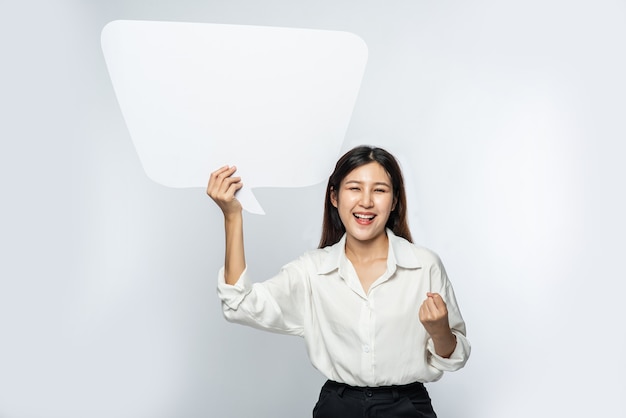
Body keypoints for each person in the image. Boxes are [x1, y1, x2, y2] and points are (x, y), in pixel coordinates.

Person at [207, 145, 470, 417]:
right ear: (334, 196)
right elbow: (238, 305)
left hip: (406, 407)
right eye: (354, 188)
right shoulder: (312, 271)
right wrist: (232, 216)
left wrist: (440, 331)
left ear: (393, 201)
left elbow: (456, 356)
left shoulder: (424, 265)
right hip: (338, 407)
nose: (366, 201)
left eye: (379, 190)